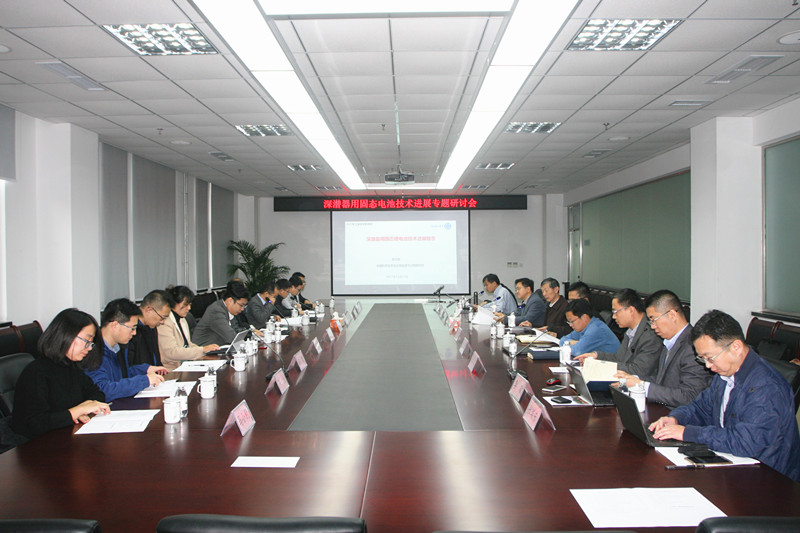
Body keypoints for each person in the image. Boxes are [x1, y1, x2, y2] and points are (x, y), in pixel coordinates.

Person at [650, 310, 800, 482]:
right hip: (734, 466)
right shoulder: (724, 374)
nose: (708, 366)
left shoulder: (767, 387)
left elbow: (745, 442)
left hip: (769, 481)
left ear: (736, 347)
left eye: (710, 358)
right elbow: (701, 408)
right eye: (702, 359)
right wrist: (676, 418)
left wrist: (687, 433)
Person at [11, 309, 110, 439]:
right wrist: (76, 412)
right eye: (87, 341)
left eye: (91, 343)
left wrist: (84, 409)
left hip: (64, 437)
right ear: (65, 335)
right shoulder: (37, 372)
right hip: (35, 445)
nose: (90, 348)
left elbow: (97, 393)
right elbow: (35, 424)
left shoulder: (72, 366)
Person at [615, 290, 711, 408]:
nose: (653, 326)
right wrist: (634, 379)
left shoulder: (693, 346)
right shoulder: (668, 342)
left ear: (672, 315)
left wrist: (643, 386)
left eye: (654, 320)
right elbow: (662, 381)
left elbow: (688, 396)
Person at [85, 299, 168, 401]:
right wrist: (143, 380)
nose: (134, 333)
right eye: (132, 328)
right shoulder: (92, 350)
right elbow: (103, 390)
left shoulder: (116, 347)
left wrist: (145, 370)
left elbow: (121, 376)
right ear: (115, 325)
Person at [575, 288, 662, 377]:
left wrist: (600, 365)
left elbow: (639, 370)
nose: (613, 317)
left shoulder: (651, 335)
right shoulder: (630, 331)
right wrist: (596, 356)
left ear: (631, 310)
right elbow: (619, 358)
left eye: (616, 312)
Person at [157, 286, 220, 371]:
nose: (189, 308)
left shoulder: (182, 319)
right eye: (185, 305)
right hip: (171, 369)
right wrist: (202, 350)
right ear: (173, 303)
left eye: (190, 304)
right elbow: (172, 352)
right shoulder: (164, 322)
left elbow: (188, 344)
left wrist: (206, 351)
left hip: (185, 364)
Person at [192, 281, 251, 346]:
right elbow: (231, 338)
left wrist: (250, 332)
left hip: (219, 347)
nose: (242, 309)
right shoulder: (216, 311)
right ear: (230, 301)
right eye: (241, 305)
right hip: (204, 350)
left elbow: (236, 329)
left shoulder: (228, 310)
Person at [125, 289, 173, 367]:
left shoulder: (151, 327)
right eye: (162, 317)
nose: (162, 322)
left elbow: (156, 359)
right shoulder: (131, 331)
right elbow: (129, 367)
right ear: (149, 310)